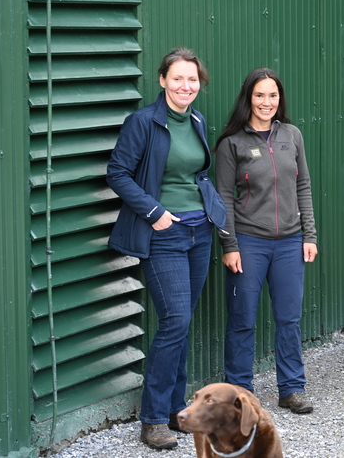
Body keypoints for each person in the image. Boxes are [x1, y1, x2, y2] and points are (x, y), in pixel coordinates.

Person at [106, 47, 226, 449]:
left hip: (198, 233)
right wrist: (154, 211)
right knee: (175, 320)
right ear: (162, 80)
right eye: (178, 78)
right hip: (164, 235)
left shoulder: (195, 119)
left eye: (192, 80)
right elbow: (118, 173)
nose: (185, 86)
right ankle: (154, 418)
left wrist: (209, 206)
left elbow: (197, 171)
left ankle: (177, 412)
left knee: (182, 323)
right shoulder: (143, 122)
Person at [214, 68, 318, 414]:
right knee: (242, 318)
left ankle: (291, 389)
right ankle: (239, 394)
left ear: (279, 99)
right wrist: (229, 246)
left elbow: (302, 186)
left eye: (272, 95)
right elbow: (223, 198)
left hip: (289, 243)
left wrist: (309, 236)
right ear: (248, 98)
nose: (266, 102)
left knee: (289, 318)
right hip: (248, 243)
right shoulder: (232, 143)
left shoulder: (292, 135)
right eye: (259, 95)